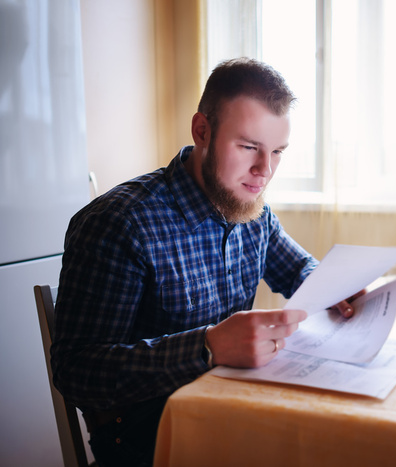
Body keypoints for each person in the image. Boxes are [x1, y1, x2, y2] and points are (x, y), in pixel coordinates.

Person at [52, 58, 360, 467]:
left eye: (277, 152)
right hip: (149, 437)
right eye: (249, 147)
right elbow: (77, 374)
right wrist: (207, 347)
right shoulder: (119, 223)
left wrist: (340, 286)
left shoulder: (253, 211)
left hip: (231, 407)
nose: (264, 171)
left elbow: (300, 273)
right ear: (202, 131)